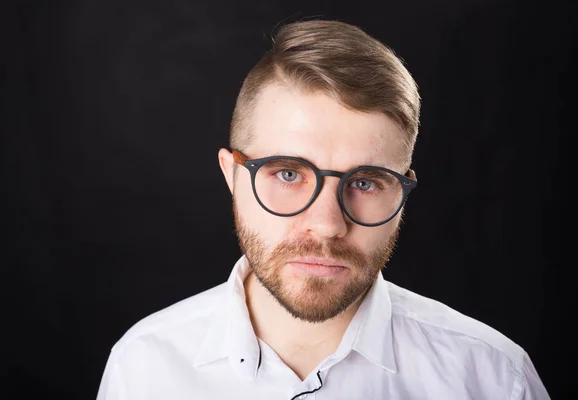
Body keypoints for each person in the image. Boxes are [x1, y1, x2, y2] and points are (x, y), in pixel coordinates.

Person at [96, 19, 550, 399]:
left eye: (366, 182)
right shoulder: (144, 369)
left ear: (404, 189)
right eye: (289, 174)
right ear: (232, 176)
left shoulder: (492, 379)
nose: (328, 224)